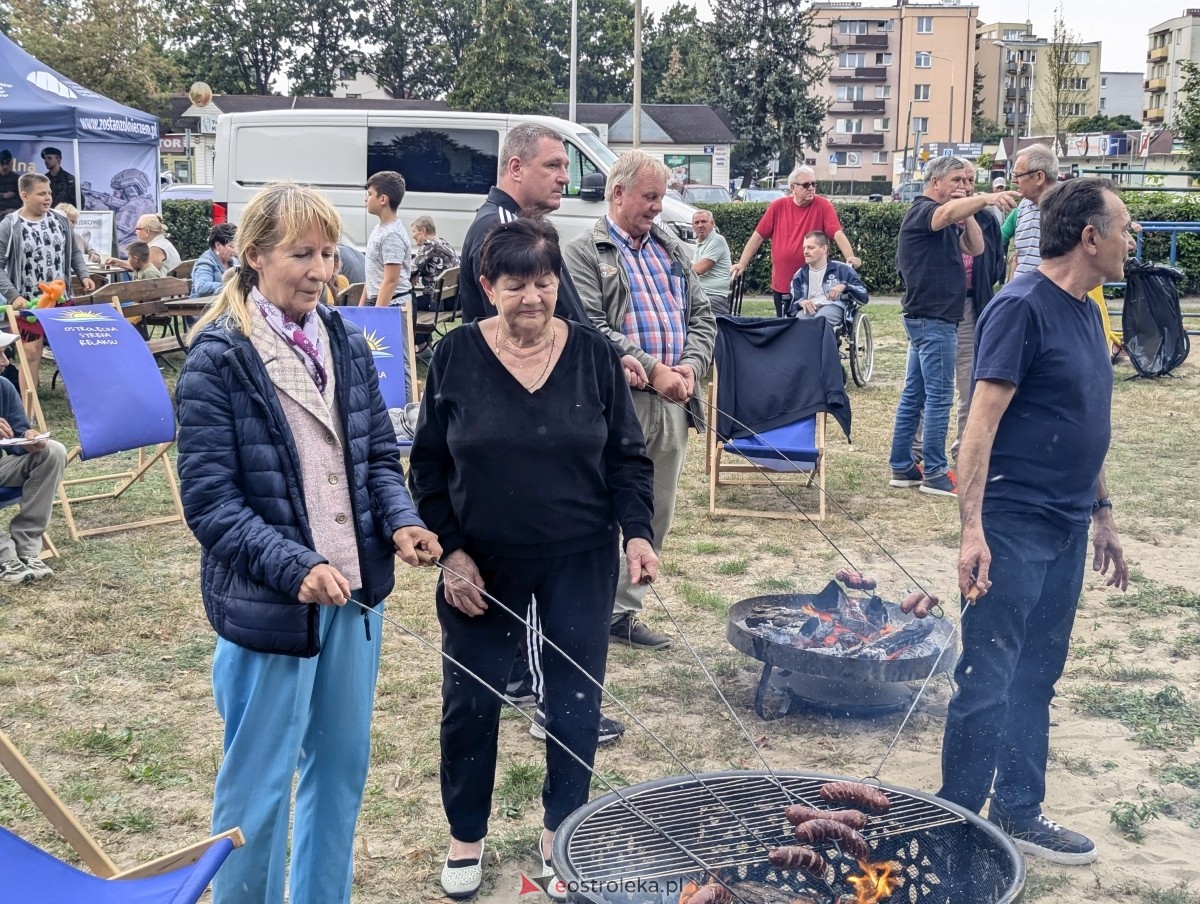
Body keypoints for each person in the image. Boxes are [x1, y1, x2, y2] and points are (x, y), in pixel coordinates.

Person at [175, 181, 441, 904]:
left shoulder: (346, 340)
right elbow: (210, 503)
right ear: (255, 255)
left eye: (328, 252)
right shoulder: (218, 358)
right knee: (256, 790)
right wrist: (295, 566)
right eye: (302, 254)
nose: (321, 269)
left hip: (356, 601)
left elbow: (378, 458)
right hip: (272, 608)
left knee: (340, 770)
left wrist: (402, 520)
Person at [408, 218, 656, 901]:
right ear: (488, 287)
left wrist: (638, 532)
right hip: (480, 565)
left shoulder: (596, 357)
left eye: (543, 284)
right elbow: (427, 466)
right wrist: (451, 550)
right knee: (471, 702)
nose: (531, 299)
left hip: (579, 558)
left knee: (575, 701)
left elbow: (627, 458)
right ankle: (466, 836)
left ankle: (561, 830)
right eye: (515, 286)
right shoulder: (455, 356)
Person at [941, 177, 1132, 865]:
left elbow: (1088, 420)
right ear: (1089, 236)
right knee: (988, 679)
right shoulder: (1020, 306)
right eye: (1125, 226)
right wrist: (973, 530)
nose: (1130, 239)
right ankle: (957, 826)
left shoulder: (1085, 309)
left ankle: (1018, 812)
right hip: (1013, 527)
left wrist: (1103, 512)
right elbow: (978, 426)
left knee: (1037, 675)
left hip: (1067, 527)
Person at [564, 149, 716, 651]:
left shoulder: (670, 247)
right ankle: (587, 606)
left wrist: (690, 367)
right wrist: (654, 370)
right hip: (617, 402)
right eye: (650, 196)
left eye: (662, 195)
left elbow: (703, 315)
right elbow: (590, 328)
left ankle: (623, 612)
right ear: (618, 193)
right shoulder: (585, 251)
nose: (658, 206)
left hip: (674, 399)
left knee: (657, 506)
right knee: (602, 506)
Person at [887, 156, 1017, 498]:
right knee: (940, 396)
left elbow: (975, 248)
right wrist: (986, 199)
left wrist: (970, 211)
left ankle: (902, 465)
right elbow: (943, 214)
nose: (966, 187)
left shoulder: (949, 220)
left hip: (933, 318)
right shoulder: (923, 211)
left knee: (915, 393)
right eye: (958, 180)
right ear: (935, 184)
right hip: (933, 318)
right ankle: (934, 471)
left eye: (970, 181)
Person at [457, 123, 588, 325]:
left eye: (565, 166)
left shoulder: (520, 223)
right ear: (516, 168)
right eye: (553, 165)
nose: (565, 178)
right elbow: (519, 335)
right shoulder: (501, 229)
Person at [0, 174, 94, 393]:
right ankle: (28, 412)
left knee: (70, 353)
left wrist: (84, 275)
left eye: (49, 192)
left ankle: (78, 403)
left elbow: (74, 253)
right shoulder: (10, 225)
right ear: (25, 195)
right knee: (31, 353)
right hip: (29, 304)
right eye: (41, 193)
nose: (48, 197)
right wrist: (14, 296)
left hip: (61, 300)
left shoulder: (61, 219)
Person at [730, 166, 862, 317]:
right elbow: (758, 236)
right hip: (783, 282)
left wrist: (849, 257)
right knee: (784, 326)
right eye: (806, 185)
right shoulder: (778, 207)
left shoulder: (823, 206)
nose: (811, 188)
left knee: (808, 324)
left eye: (814, 184)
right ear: (793, 187)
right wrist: (742, 263)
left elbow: (837, 233)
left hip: (812, 284)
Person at [0, 333, 66, 584]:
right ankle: (4, 557)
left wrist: (29, 439)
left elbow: (17, 436)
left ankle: (27, 549)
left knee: (53, 451)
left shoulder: (3, 387)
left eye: (6, 353)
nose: (5, 362)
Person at [787, 230, 867, 327]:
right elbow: (793, 302)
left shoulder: (842, 269)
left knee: (820, 321)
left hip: (834, 305)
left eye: (811, 248)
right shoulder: (799, 275)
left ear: (824, 249)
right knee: (799, 323)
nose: (805, 252)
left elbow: (863, 296)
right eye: (804, 248)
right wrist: (801, 302)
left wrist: (844, 286)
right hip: (809, 308)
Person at [363, 170, 412, 307]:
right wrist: (361, 309)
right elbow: (372, 276)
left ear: (383, 199)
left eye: (370, 194)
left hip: (392, 305)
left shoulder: (392, 235)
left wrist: (378, 315)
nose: (366, 199)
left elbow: (390, 282)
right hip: (378, 301)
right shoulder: (380, 229)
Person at [1011, 143, 1059, 277]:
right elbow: (1019, 256)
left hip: (1049, 293)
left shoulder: (1068, 207)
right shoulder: (1024, 205)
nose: (1014, 180)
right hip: (1022, 292)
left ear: (1039, 177)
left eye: (1018, 175)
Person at [410, 215, 460, 309]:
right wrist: (417, 272)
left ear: (423, 231)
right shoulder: (441, 243)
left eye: (414, 231)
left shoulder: (429, 245)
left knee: (405, 306)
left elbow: (410, 269)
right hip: (453, 300)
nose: (413, 236)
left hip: (439, 303)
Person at [106, 214, 181, 273]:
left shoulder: (156, 248)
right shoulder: (162, 243)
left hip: (165, 289)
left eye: (137, 229)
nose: (135, 232)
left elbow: (144, 268)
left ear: (147, 232)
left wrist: (119, 263)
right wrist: (118, 262)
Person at [691, 209, 732, 315]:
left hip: (713, 298)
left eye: (704, 221)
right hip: (703, 295)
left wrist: (675, 267)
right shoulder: (701, 242)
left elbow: (699, 269)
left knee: (680, 308)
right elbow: (692, 267)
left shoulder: (717, 240)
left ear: (712, 223)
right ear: (693, 226)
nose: (700, 225)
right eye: (697, 222)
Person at [192, 224, 238, 297]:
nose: (235, 250)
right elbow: (201, 287)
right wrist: (231, 287)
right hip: (201, 306)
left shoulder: (234, 261)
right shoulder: (205, 262)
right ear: (218, 245)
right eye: (231, 246)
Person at [0, 151, 19, 216]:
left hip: (13, 212)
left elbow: (23, 198)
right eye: (2, 164)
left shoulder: (18, 179)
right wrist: (3, 195)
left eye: (7, 164)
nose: (5, 167)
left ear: (11, 163)